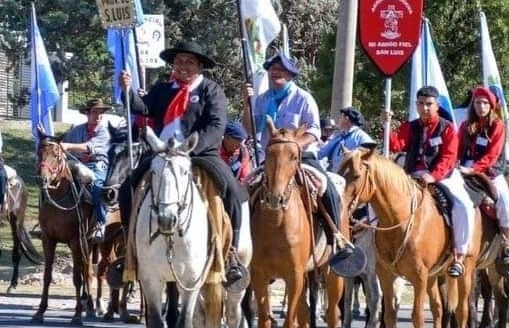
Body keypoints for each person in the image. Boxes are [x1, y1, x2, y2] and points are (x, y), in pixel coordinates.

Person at [119, 41, 248, 284]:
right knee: (127, 188)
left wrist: (191, 149)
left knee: (232, 190)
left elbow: (216, 125)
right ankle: (129, 248)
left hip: (199, 153)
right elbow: (143, 109)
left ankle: (232, 253)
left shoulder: (211, 90)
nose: (183, 66)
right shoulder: (162, 89)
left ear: (200, 66)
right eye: (178, 61)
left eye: (189, 62)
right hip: (162, 152)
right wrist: (128, 91)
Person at [246, 52, 353, 261]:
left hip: (302, 156)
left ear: (290, 75)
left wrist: (293, 146)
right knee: (244, 189)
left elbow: (314, 130)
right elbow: (250, 129)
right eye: (273, 69)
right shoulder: (261, 99)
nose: (276, 72)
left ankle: (337, 238)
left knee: (327, 188)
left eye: (281, 70)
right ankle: (239, 244)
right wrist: (246, 103)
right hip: (270, 160)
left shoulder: (303, 98)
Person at [383, 86, 474, 277]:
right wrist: (387, 125)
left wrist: (432, 175)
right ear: (416, 105)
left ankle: (459, 253)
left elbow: (449, 158)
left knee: (463, 205)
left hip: (443, 176)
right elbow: (396, 144)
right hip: (411, 176)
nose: (425, 108)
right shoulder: (411, 126)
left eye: (429, 104)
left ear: (437, 105)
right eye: (421, 104)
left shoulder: (447, 127)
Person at [456, 86, 509, 264]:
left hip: (490, 172)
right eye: (477, 102)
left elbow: (492, 155)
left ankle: (507, 245)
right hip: (462, 170)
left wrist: (474, 168)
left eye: (485, 103)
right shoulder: (465, 126)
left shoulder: (498, 125)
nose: (481, 106)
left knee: (506, 202)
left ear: (491, 106)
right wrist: (457, 165)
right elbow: (457, 148)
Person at [60, 99, 112, 242]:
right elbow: (62, 143)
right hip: (76, 166)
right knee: (54, 182)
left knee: (98, 187)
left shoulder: (105, 133)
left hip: (97, 166)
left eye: (101, 113)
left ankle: (101, 223)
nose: (99, 116)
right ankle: (47, 221)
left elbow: (90, 147)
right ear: (87, 114)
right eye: (95, 112)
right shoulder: (76, 130)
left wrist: (68, 146)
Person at [318, 107, 374, 173]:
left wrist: (352, 155)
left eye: (341, 117)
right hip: (334, 174)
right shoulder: (338, 136)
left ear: (346, 119)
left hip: (351, 177)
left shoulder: (362, 137)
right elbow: (322, 152)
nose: (339, 120)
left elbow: (371, 157)